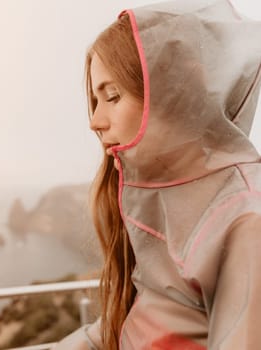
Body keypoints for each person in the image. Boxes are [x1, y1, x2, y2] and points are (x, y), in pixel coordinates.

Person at [53, 0, 261, 349]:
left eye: (113, 96)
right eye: (95, 100)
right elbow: (137, 322)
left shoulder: (246, 220)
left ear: (176, 90)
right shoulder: (163, 196)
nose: (95, 121)